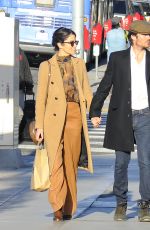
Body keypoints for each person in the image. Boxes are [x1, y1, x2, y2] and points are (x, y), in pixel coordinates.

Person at [89, 20, 150, 222]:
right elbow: (105, 86)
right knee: (121, 163)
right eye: (145, 35)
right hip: (122, 116)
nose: (149, 38)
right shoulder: (118, 58)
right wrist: (95, 110)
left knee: (146, 163)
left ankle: (145, 205)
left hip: (146, 116)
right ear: (134, 37)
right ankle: (121, 203)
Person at [35, 27, 93, 221]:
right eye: (72, 43)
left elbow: (86, 91)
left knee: (70, 164)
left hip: (74, 116)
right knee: (56, 164)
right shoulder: (46, 66)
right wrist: (39, 125)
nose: (75, 46)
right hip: (52, 119)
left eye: (76, 42)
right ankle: (57, 205)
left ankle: (68, 207)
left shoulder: (79, 64)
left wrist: (93, 113)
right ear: (60, 44)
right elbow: (41, 97)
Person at [19, 48, 33, 141]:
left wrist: (29, 86)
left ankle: (17, 133)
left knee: (19, 114)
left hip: (18, 88)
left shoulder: (19, 51)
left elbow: (25, 68)